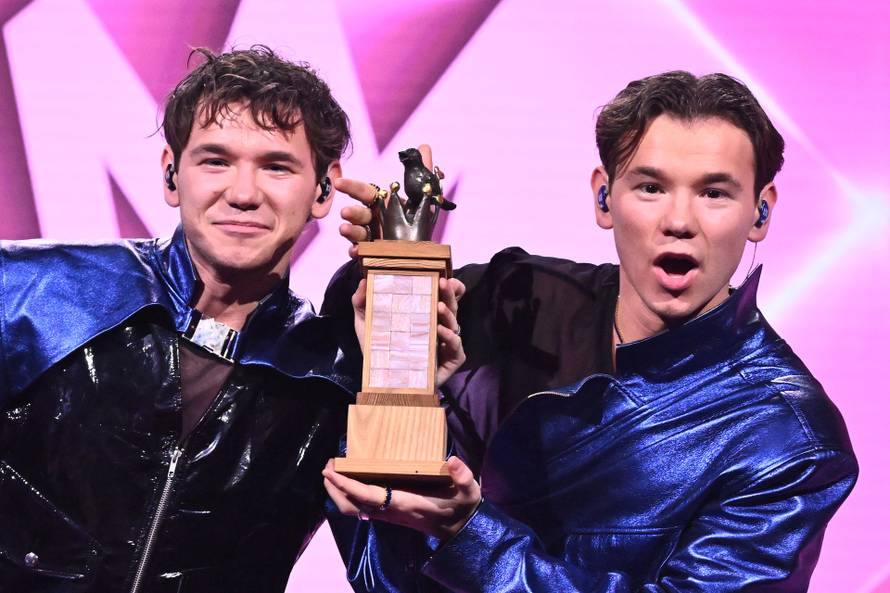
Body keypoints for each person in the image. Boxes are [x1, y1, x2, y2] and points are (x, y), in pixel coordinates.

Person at [323, 71, 858, 592]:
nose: (679, 221)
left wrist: (472, 537)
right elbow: (384, 557)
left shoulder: (789, 438)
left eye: (714, 193)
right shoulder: (512, 301)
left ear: (760, 212)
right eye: (650, 187)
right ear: (604, 198)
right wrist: (388, 272)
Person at [0, 46, 463, 593]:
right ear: (172, 175)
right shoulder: (30, 288)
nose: (243, 194)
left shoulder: (335, 378)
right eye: (215, 161)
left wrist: (403, 377)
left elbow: (394, 578)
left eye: (276, 167)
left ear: (323, 188)